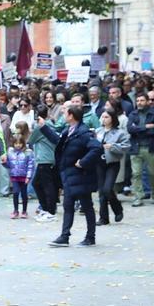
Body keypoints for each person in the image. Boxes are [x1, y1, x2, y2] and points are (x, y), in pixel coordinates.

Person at [49, 106, 103, 248]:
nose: (63, 115)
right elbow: (58, 142)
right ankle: (64, 236)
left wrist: (83, 162)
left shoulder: (84, 132)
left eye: (65, 113)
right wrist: (44, 127)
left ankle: (90, 237)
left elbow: (96, 148)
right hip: (68, 176)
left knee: (87, 206)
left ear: (71, 116)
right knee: (68, 205)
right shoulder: (69, 131)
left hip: (81, 176)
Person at [126, 93, 154, 206]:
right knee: (136, 173)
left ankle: (153, 192)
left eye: (142, 100)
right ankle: (138, 196)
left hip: (150, 147)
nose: (139, 102)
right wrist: (146, 127)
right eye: (137, 100)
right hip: (136, 147)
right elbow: (130, 129)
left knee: (153, 173)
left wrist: (138, 129)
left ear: (147, 101)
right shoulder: (133, 114)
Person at [95, 109, 129, 225]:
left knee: (107, 189)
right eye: (102, 117)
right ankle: (103, 218)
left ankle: (117, 208)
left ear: (112, 119)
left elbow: (126, 147)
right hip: (99, 163)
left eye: (106, 117)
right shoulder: (98, 131)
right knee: (101, 191)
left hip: (112, 163)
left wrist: (113, 146)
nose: (104, 119)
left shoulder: (119, 133)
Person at [29, 106, 60, 222]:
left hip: (44, 158)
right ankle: (46, 209)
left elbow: (30, 141)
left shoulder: (40, 127)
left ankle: (50, 211)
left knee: (46, 186)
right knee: (37, 183)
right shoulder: (51, 124)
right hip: (49, 158)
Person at [2, 123, 36, 219]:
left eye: (20, 144)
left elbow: (30, 165)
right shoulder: (10, 152)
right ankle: (15, 210)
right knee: (16, 193)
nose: (18, 145)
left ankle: (24, 210)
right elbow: (9, 164)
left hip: (24, 176)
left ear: (23, 143)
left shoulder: (28, 152)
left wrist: (28, 177)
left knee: (24, 194)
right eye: (16, 144)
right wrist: (4, 163)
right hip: (14, 176)